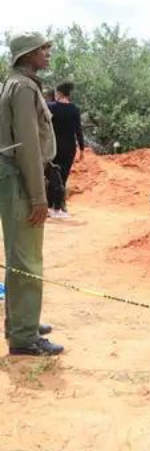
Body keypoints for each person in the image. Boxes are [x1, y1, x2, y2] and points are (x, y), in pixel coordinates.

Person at [0, 31, 63, 355]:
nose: (48, 53)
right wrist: (39, 197)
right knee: (26, 258)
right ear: (27, 54)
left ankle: (22, 321)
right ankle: (24, 337)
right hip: (21, 177)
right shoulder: (23, 87)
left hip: (14, 176)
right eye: (43, 49)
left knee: (19, 256)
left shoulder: (17, 83)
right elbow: (26, 145)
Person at [47, 82, 85, 218]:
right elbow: (78, 130)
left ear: (59, 93)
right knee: (63, 178)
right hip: (69, 148)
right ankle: (59, 208)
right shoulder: (74, 109)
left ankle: (51, 207)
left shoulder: (50, 107)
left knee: (52, 176)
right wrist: (82, 149)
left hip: (53, 147)